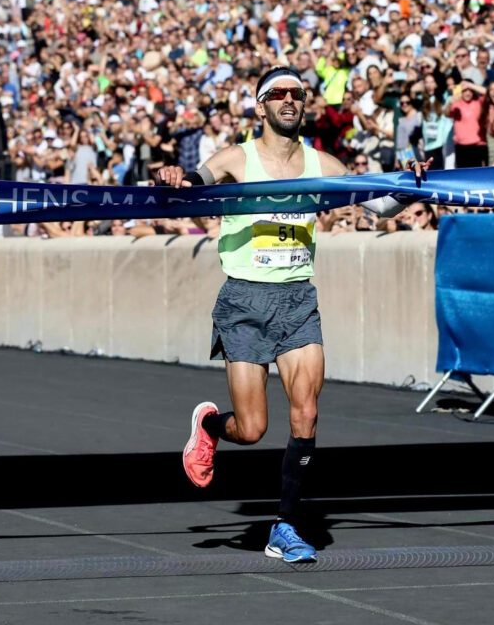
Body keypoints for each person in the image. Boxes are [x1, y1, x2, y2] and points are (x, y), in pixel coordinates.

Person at [155, 66, 428, 563]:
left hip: (297, 298)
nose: (288, 99)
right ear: (260, 107)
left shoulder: (321, 163)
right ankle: (213, 428)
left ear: (304, 105)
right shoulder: (239, 157)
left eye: (296, 94)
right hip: (244, 300)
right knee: (253, 428)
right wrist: (177, 176)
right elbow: (197, 181)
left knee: (306, 412)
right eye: (276, 93)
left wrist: (409, 187)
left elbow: (379, 205)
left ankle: (286, 525)